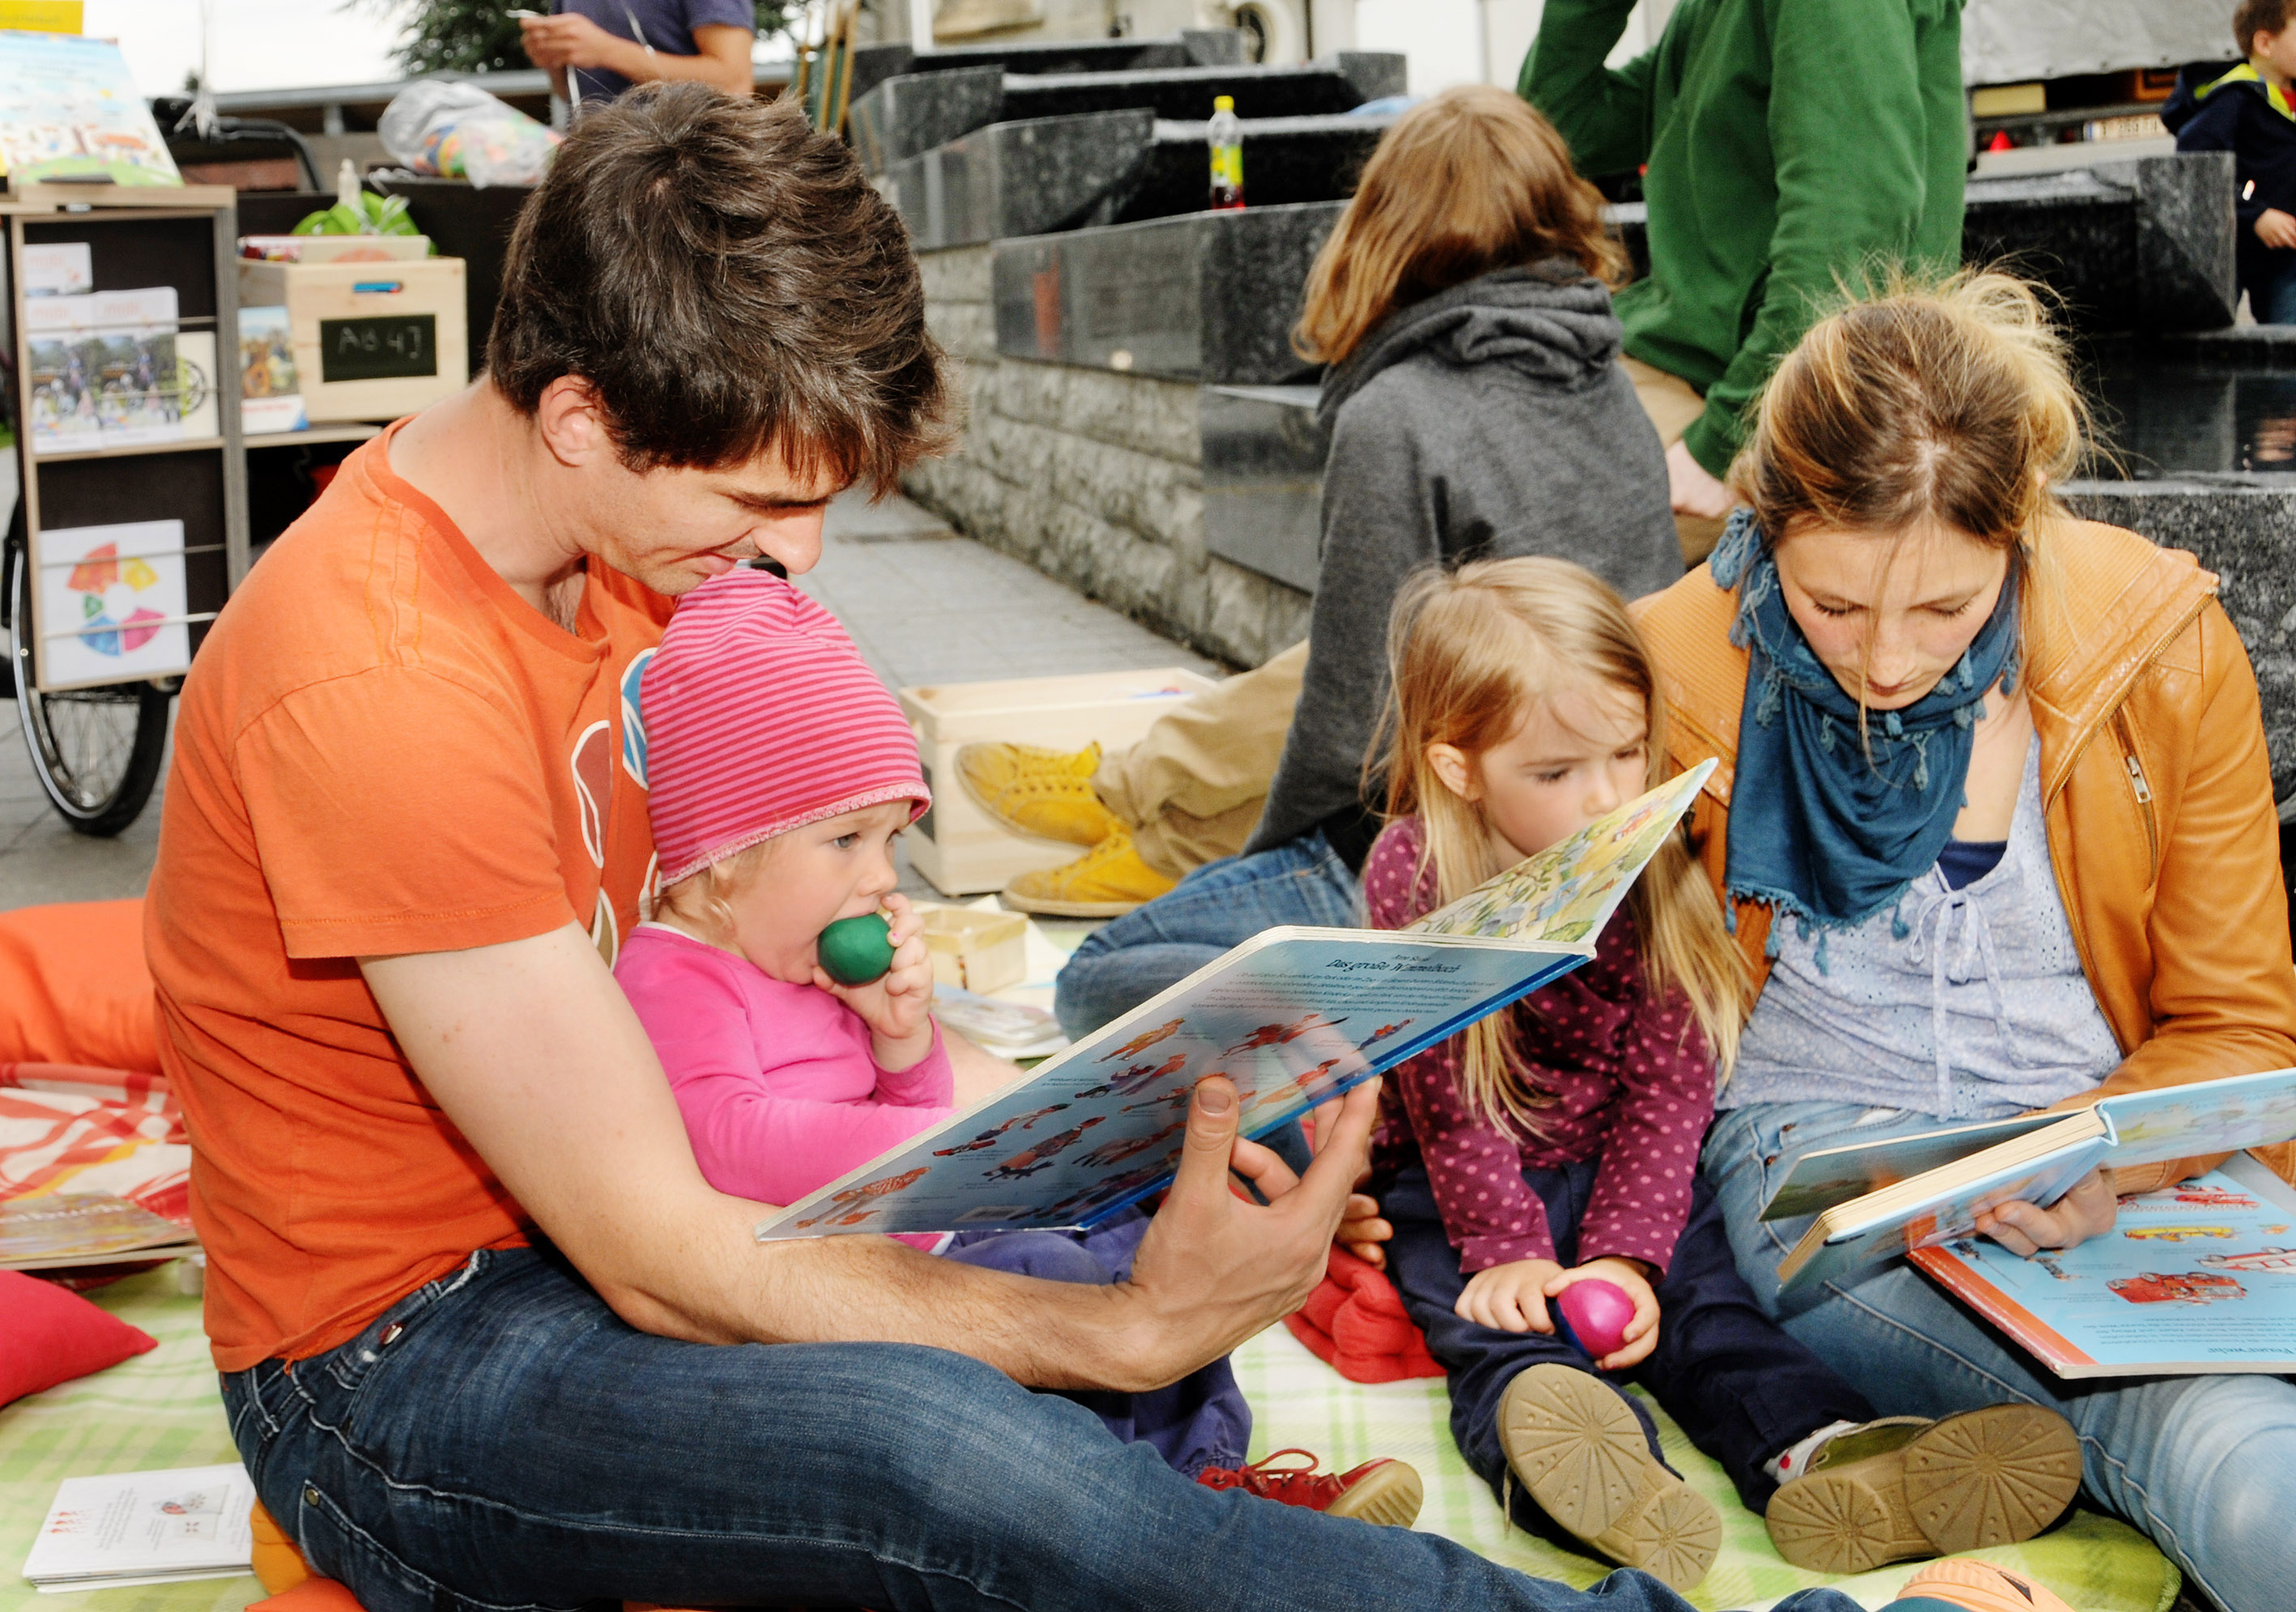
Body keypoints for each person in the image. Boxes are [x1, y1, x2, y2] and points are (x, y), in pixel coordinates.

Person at [143, 79, 2028, 1612]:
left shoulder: (623, 547)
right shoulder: (373, 681)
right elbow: (659, 1256)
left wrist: (1116, 1124)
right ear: (578, 417)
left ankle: (1205, 1472)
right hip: (404, 1365)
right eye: (763, 499)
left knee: (1142, 1164)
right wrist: (1109, 1329)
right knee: (940, 1448)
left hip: (621, 1212)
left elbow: (755, 993)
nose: (795, 558)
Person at [1623, 270, 2296, 1612]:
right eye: (1829, 604)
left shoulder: (2158, 643)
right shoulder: (1666, 668)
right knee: (2196, 1426)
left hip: (2125, 1147)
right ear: (1764, 522)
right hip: (1825, 1163)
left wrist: (2105, 1152)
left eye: (1944, 609)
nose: (1883, 662)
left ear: (2020, 528)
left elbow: (2237, 1023)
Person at [611, 562, 1420, 1512]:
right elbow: (725, 1135)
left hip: (928, 1225)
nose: (883, 876)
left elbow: (902, 1108)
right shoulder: (674, 970)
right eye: (846, 841)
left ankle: (1212, 1479)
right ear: (724, 855)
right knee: (1069, 1281)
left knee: (1141, 1238)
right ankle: (1165, 1504)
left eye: (891, 839)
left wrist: (903, 1043)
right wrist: (930, 1144)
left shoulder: (802, 952)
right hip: (851, 1281)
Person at [1359, 556, 2078, 1590]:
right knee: (1505, 1340)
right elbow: (1449, 1099)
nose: (1607, 794)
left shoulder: (1650, 846)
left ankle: (1832, 1460)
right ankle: (1610, 1486)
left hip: (1629, 1167)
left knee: (1715, 1316)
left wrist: (1626, 1256)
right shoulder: (1413, 869)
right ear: (1460, 767)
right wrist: (1508, 1253)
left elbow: (1668, 1087)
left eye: (1626, 752)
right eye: (1556, 773)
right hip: (1460, 1186)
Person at [1032, 86, 1682, 1036]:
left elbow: (1353, 722)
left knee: (1093, 978)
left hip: (1436, 848)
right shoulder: (1610, 384)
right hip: (1602, 837)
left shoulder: (1398, 413)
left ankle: (1391, 1026)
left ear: (1384, 229)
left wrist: (1273, 853)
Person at [1521, 0, 1967, 563]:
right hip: (1695, 371)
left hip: (1783, 406)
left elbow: (1847, 240)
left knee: (1497, 517)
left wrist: (1723, 447)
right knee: (1461, 458)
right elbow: (1557, 133)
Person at [2164, 2, 2296, 324]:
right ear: (2265, 44)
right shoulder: (2232, 99)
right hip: (2230, 249)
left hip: (2288, 257)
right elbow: (2195, 170)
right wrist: (2255, 214)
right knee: (2205, 333)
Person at [520, 0, 756, 105]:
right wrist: (551, 58)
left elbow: (735, 83)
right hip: (596, 170)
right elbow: (573, 95)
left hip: (684, 173)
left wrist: (606, 51)